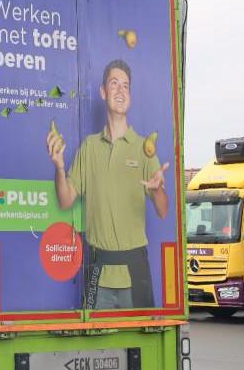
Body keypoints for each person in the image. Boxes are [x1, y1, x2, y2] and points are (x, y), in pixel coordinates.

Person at [47, 59, 169, 309]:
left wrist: (157, 190)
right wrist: (59, 167)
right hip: (98, 274)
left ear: (130, 96)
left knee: (139, 336)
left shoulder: (144, 148)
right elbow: (66, 200)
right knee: (96, 336)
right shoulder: (89, 147)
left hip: (135, 274)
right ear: (103, 92)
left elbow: (163, 210)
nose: (120, 90)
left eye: (125, 85)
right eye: (114, 83)